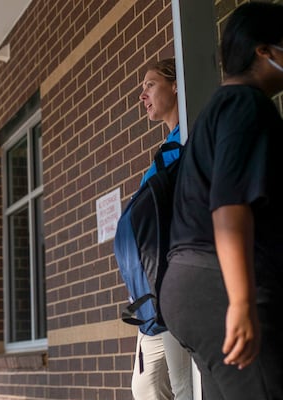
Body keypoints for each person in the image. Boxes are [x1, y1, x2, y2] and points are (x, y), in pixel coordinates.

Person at [160, 3, 283, 400]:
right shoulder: (245, 106)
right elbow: (229, 205)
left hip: (191, 288)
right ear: (264, 51)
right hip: (218, 287)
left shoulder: (216, 110)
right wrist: (241, 302)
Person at [128, 58, 193, 400]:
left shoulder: (189, 140)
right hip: (152, 293)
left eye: (150, 84)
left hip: (175, 281)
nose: (143, 95)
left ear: (177, 85)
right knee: (146, 386)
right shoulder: (168, 147)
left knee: (184, 384)